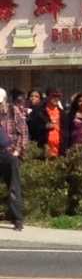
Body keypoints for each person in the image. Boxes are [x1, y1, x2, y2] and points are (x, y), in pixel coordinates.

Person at [0, 89, 24, 231]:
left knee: (13, 188)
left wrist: (17, 151)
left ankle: (17, 220)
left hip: (9, 154)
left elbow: (23, 132)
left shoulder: (13, 111)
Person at [29, 88, 64, 158]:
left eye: (58, 96)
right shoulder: (38, 111)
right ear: (47, 97)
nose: (56, 98)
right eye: (54, 96)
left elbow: (66, 132)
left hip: (59, 151)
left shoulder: (63, 113)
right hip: (43, 150)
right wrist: (44, 126)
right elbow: (31, 127)